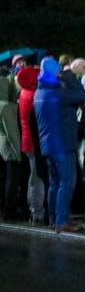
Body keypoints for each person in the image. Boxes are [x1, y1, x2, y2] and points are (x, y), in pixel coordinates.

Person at [33, 56, 85, 233]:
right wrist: (70, 75)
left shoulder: (39, 92)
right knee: (67, 182)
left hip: (47, 144)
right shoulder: (58, 93)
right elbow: (82, 95)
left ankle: (53, 218)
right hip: (63, 143)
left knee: (54, 183)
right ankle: (61, 220)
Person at [17, 65, 47, 225]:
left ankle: (34, 208)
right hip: (34, 141)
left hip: (27, 140)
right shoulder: (33, 95)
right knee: (37, 178)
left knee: (33, 176)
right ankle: (37, 211)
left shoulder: (23, 93)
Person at [0, 76, 23, 222]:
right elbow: (12, 133)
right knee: (12, 179)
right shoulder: (6, 106)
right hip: (8, 147)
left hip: (0, 147)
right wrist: (19, 153)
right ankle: (9, 211)